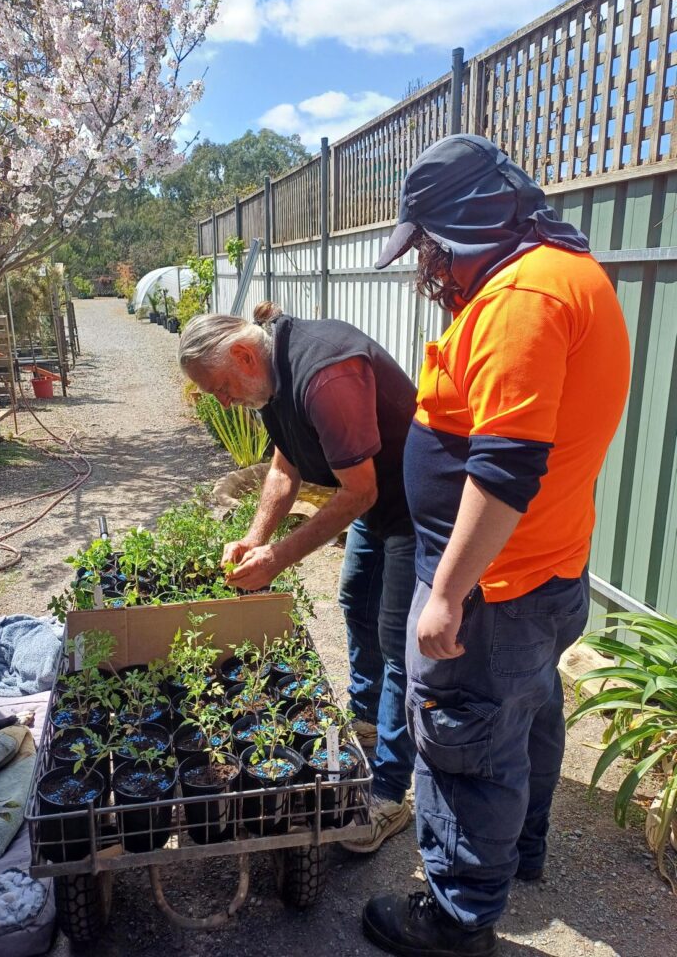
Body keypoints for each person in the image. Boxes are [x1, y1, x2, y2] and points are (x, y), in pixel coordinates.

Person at [360, 134, 630, 957]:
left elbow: (506, 466)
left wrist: (445, 593)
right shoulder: (561, 272)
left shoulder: (524, 298)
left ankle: (456, 920)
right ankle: (523, 852)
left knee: (464, 748)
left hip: (493, 589)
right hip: (545, 570)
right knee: (526, 713)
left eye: (433, 249)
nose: (430, 268)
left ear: (470, 226)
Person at [178, 304, 417, 851]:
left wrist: (279, 558)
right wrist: (257, 536)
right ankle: (365, 723)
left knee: (399, 642)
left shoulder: (325, 375)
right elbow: (286, 463)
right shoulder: (270, 375)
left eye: (219, 387)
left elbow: (361, 491)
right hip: (375, 508)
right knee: (356, 604)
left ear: (241, 354)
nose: (222, 401)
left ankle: (387, 794)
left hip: (414, 508)